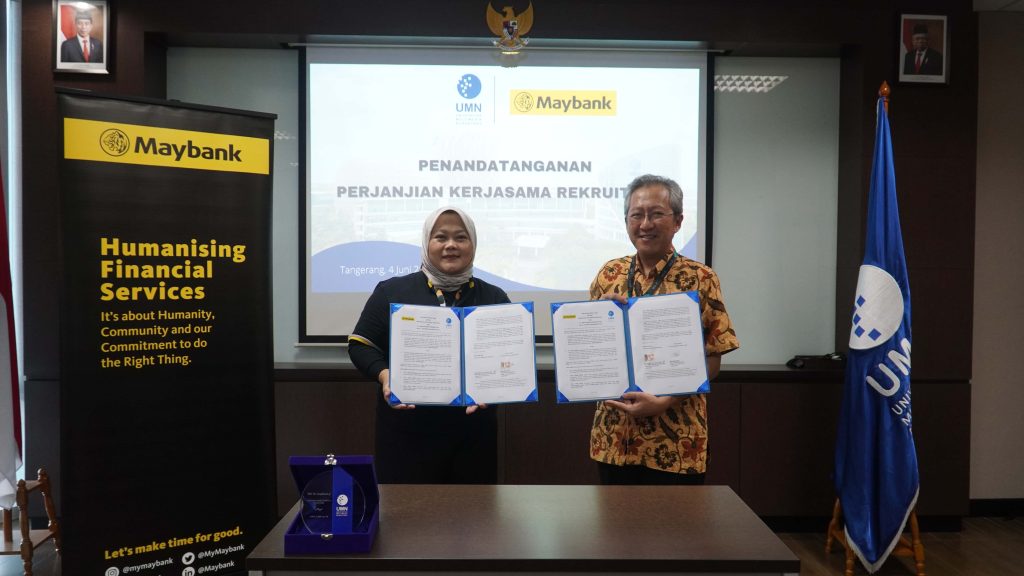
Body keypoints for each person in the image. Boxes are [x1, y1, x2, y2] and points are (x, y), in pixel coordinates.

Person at [588, 174, 739, 485]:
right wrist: (598, 319)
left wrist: (664, 401)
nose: (645, 224)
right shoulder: (609, 274)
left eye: (656, 214)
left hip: (676, 442)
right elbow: (591, 352)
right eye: (637, 215)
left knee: (676, 519)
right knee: (614, 519)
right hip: (614, 439)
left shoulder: (701, 278)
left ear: (678, 221)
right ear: (626, 221)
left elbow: (712, 361)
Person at [348, 206, 509, 484]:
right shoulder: (391, 291)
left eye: (461, 237)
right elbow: (361, 345)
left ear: (473, 244)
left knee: (473, 510)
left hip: (474, 438)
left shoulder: (494, 297)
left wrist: (497, 386)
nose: (451, 245)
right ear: (426, 243)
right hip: (407, 436)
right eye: (440, 237)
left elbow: (509, 358)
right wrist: (385, 375)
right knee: (407, 510)